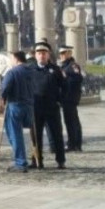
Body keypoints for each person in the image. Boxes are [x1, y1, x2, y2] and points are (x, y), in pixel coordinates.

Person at [29, 40, 67, 169]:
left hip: (52, 108)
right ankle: (37, 160)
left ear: (48, 54)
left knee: (57, 135)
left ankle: (60, 160)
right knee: (36, 136)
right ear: (35, 55)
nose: (42, 55)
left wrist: (59, 101)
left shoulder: (55, 70)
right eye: (39, 53)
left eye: (44, 53)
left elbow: (64, 87)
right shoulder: (30, 70)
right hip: (35, 108)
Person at [0, 50, 34, 173]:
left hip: (15, 105)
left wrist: (2, 99)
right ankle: (33, 158)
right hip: (30, 106)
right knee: (26, 133)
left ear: (16, 59)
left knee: (15, 134)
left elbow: (4, 88)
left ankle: (20, 162)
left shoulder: (12, 72)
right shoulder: (32, 71)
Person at [57, 44, 84, 152]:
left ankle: (73, 143)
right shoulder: (64, 66)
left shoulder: (72, 66)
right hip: (66, 97)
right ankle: (75, 143)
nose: (62, 55)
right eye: (61, 53)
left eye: (64, 53)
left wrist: (65, 77)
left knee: (71, 121)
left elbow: (78, 78)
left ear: (69, 53)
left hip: (70, 97)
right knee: (72, 121)